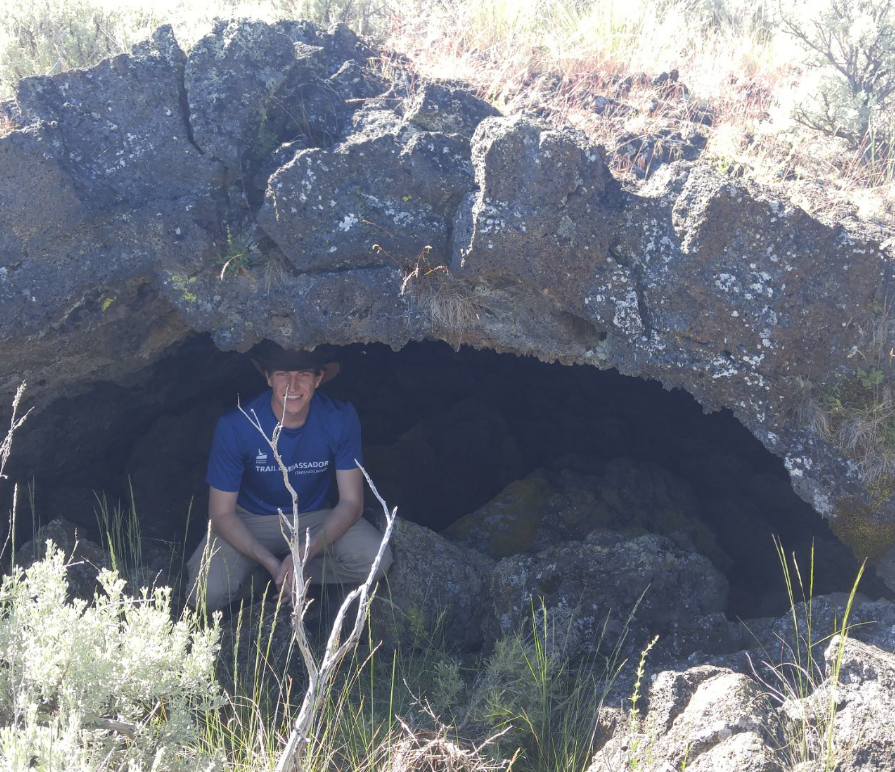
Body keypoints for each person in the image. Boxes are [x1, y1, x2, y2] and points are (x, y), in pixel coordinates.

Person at [186, 342, 393, 611]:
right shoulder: (237, 425)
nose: (292, 387)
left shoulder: (339, 417)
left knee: (377, 560)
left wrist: (301, 557)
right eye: (283, 374)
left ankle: (299, 577)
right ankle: (264, 579)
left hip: (312, 516)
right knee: (206, 595)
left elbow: (352, 503)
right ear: (269, 377)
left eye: (303, 375)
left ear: (318, 379)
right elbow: (221, 514)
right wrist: (273, 565)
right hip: (250, 518)